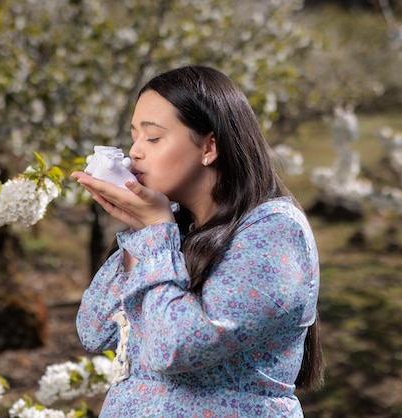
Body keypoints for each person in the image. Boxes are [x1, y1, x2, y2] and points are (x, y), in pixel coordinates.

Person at [71, 65, 324, 417]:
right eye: (134, 136)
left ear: (209, 145)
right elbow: (95, 331)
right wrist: (140, 234)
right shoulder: (174, 231)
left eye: (153, 138)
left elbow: (174, 349)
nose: (135, 152)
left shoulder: (274, 232)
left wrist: (155, 234)